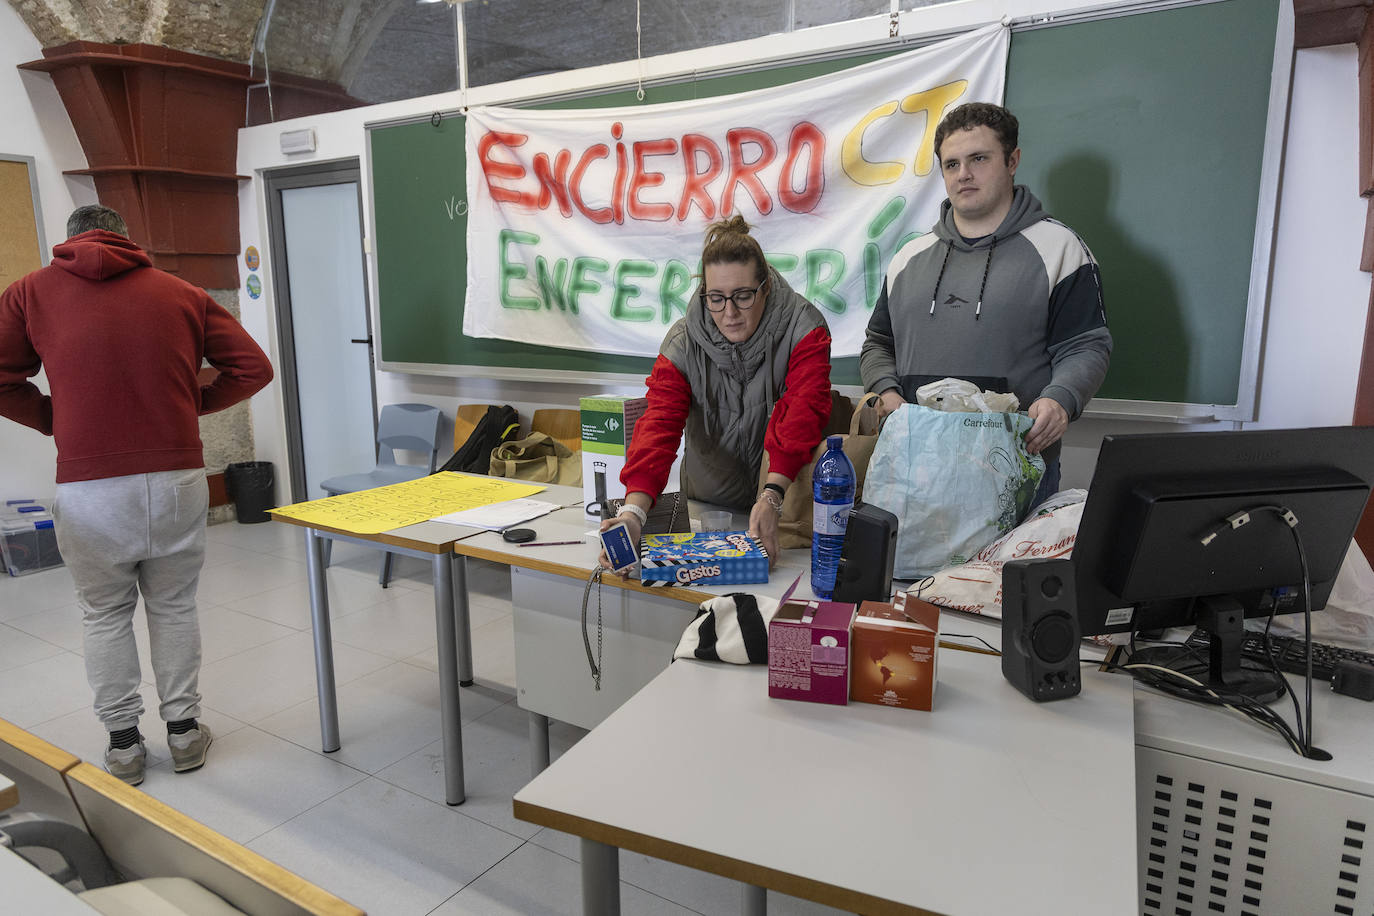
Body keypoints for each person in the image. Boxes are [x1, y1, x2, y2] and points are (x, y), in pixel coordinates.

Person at [0, 205, 273, 786]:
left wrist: (53, 417)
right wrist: (190, 403)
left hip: (88, 486)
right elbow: (253, 368)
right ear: (127, 239)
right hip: (175, 478)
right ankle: (182, 733)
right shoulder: (182, 292)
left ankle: (124, 745)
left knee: (104, 614)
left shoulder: (28, 293)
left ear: (67, 241)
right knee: (173, 607)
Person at [860, 102, 1111, 504]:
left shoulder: (1059, 248)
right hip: (915, 467)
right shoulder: (909, 257)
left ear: (1012, 160)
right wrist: (885, 391)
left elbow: (1086, 345)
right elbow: (878, 343)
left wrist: (1060, 397)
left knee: (1006, 571)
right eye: (952, 164)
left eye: (979, 158)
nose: (964, 174)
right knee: (905, 570)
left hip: (1014, 467)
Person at [599, 215, 832, 568]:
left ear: (765, 287)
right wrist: (633, 514)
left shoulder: (804, 328)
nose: (730, 313)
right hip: (708, 510)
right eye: (717, 298)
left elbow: (803, 413)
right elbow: (658, 427)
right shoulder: (683, 341)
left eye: (742, 296)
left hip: (780, 508)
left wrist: (771, 497)